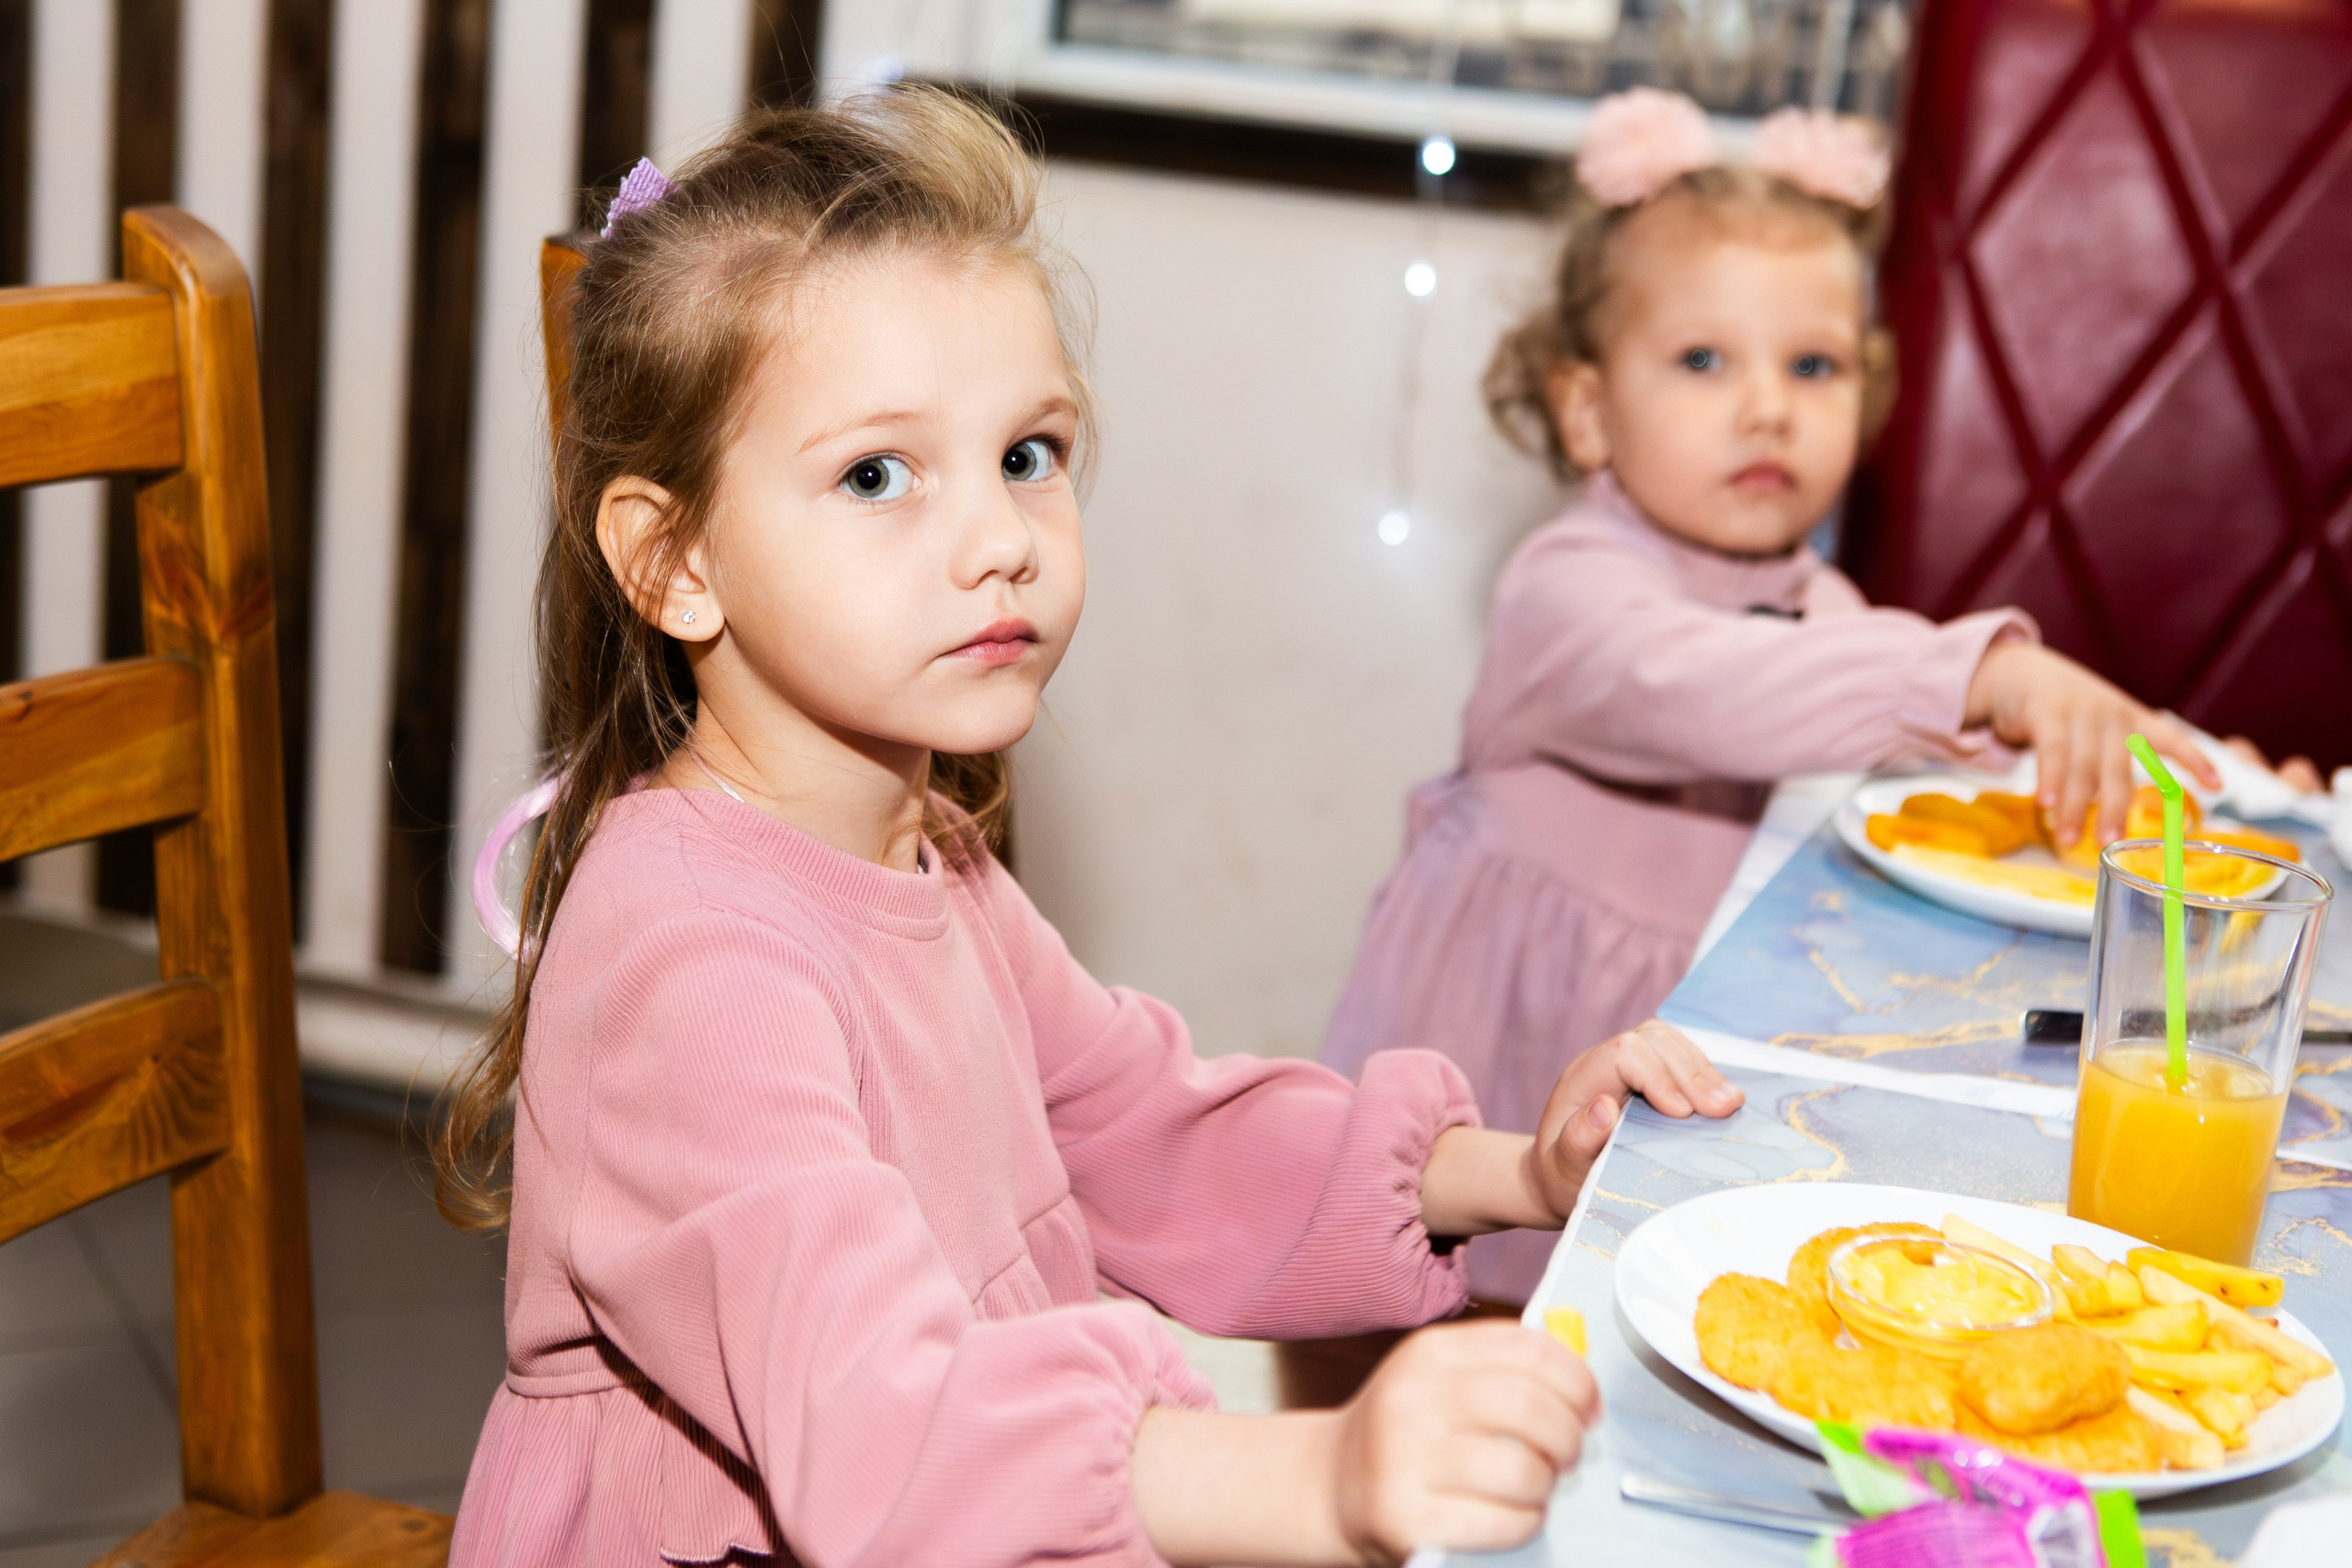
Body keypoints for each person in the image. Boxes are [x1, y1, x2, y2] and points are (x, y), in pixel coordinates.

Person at [437, 89, 1743, 1568]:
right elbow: (877, 1423)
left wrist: (1518, 1174)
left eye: (1029, 454)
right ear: (672, 564)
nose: (1002, 538)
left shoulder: (923, 845)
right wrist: (1318, 1481)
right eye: (878, 475)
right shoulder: (694, 967)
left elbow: (1141, 1124)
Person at [1320, 88, 2219, 1304]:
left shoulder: (1825, 605)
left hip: (1682, 1035)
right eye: (1703, 360)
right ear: (1586, 404)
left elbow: (1934, 782)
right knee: (1435, 1323)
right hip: (1514, 1029)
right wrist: (1985, 671)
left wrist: (2177, 759)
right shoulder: (1565, 591)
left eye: (1814, 364)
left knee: (1605, 1335)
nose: (1767, 406)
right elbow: (1712, 691)